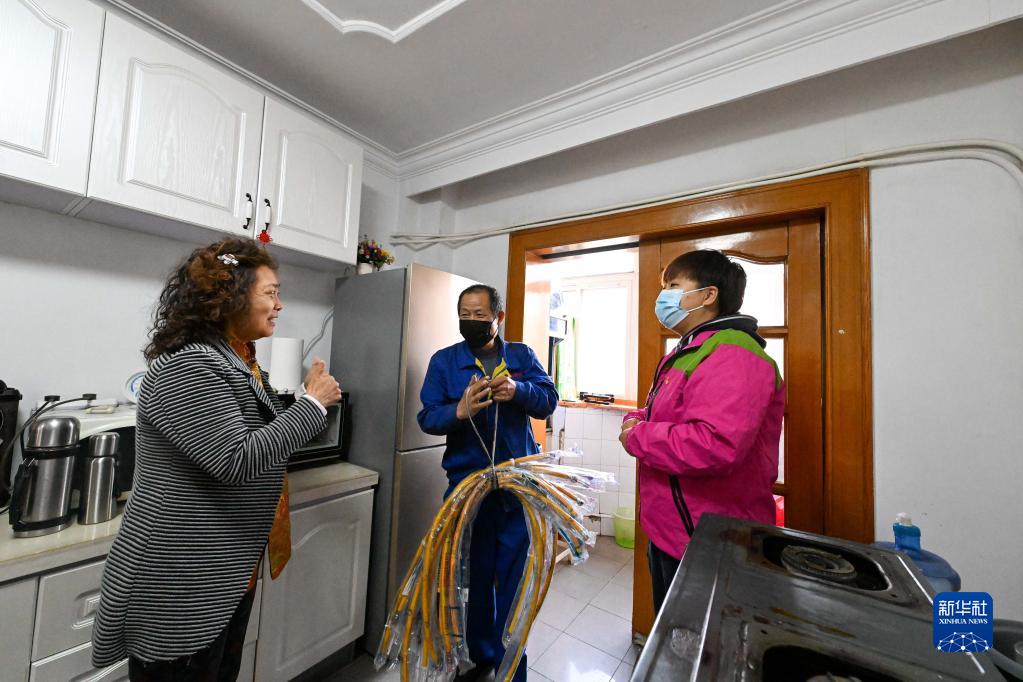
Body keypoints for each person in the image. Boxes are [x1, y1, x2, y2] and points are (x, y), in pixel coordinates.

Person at [91, 238, 342, 680]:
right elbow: (236, 459)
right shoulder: (188, 365)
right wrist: (313, 404)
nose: (280, 305)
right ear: (231, 296)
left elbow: (260, 437)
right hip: (181, 578)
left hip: (224, 572)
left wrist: (304, 399)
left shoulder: (236, 360)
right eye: (271, 292)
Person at [619, 249, 783, 614]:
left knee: (697, 643)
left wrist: (637, 436)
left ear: (708, 295)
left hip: (711, 540)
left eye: (673, 286)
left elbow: (714, 444)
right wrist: (636, 418)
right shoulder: (691, 349)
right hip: (675, 532)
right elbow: (664, 412)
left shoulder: (734, 354)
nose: (662, 297)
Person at [417, 284, 558, 682]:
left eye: (480, 314)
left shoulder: (522, 356)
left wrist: (519, 390)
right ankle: (481, 657)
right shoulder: (444, 361)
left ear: (499, 317)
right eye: (465, 314)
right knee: (472, 579)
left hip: (517, 490)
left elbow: (549, 400)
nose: (472, 321)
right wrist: (459, 411)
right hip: (468, 490)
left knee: (514, 584)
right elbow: (427, 418)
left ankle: (511, 668)